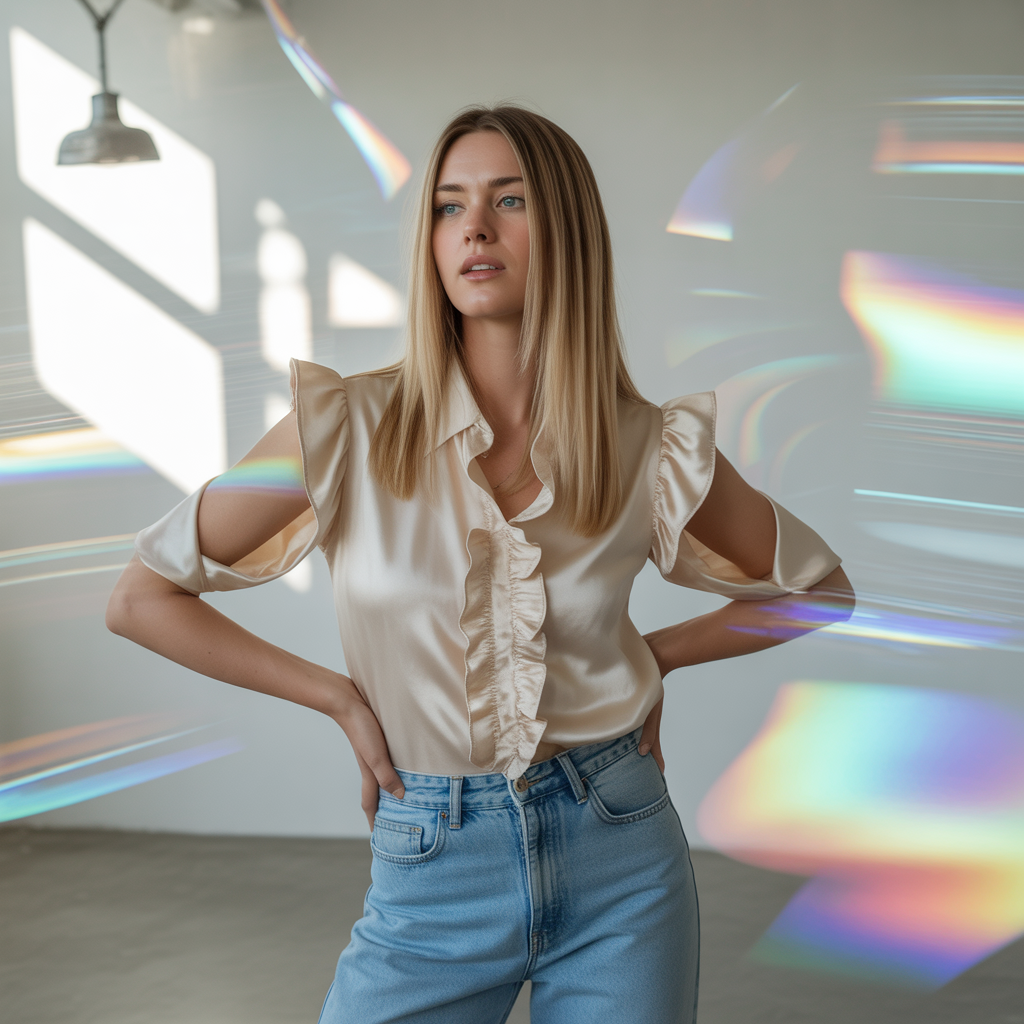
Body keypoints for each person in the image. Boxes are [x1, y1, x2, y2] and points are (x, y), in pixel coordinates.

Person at [107, 104, 854, 1024]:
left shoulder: (649, 446)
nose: (474, 229)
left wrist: (656, 656)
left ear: (569, 233)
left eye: (510, 200)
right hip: (431, 855)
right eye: (448, 206)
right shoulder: (339, 427)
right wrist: (338, 696)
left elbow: (821, 590)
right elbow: (144, 597)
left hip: (619, 844)